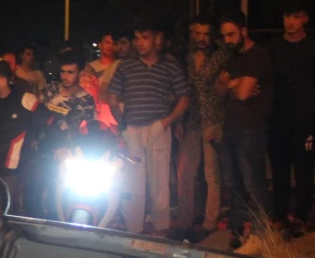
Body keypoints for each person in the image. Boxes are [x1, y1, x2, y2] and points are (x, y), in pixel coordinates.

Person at [107, 22, 191, 234]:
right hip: (132, 130)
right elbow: (112, 96)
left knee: (159, 185)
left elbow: (184, 98)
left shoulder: (170, 66)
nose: (140, 43)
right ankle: (133, 233)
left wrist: (166, 122)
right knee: (132, 186)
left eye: (145, 37)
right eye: (137, 38)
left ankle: (160, 234)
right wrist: (122, 123)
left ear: (156, 39)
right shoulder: (126, 66)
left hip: (157, 130)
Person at [266, 0, 315, 231]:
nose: (290, 22)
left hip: (305, 119)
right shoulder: (273, 46)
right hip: (278, 119)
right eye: (287, 16)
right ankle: (280, 215)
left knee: (304, 170)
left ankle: (302, 216)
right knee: (279, 170)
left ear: (305, 18)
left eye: (295, 17)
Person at [216, 11, 275, 239]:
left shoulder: (258, 55)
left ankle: (262, 233)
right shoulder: (233, 57)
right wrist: (236, 82)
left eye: (231, 34)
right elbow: (218, 89)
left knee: (253, 183)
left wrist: (233, 85)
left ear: (244, 30)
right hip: (231, 127)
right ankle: (239, 231)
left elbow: (241, 94)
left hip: (251, 129)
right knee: (233, 183)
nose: (228, 40)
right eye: (224, 36)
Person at [27, 50, 97, 218]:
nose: (65, 76)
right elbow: (37, 116)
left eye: (70, 72)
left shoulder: (85, 99)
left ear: (80, 73)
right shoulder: (50, 90)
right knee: (32, 201)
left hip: (63, 160)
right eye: (63, 71)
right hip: (39, 154)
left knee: (57, 205)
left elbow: (80, 130)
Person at [178, 17, 230, 236]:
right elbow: (183, 90)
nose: (201, 38)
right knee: (185, 172)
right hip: (191, 120)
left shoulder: (221, 56)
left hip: (213, 120)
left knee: (211, 174)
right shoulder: (186, 58)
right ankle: (184, 222)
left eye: (205, 34)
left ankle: (209, 224)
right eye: (197, 33)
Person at [0, 60, 38, 210]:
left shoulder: (25, 99)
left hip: (10, 174)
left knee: (10, 213)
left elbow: (47, 124)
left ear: (3, 81)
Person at [80, 31, 120, 131]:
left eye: (113, 43)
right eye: (107, 42)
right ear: (100, 45)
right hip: (98, 117)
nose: (110, 46)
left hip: (117, 115)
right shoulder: (90, 68)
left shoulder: (120, 66)